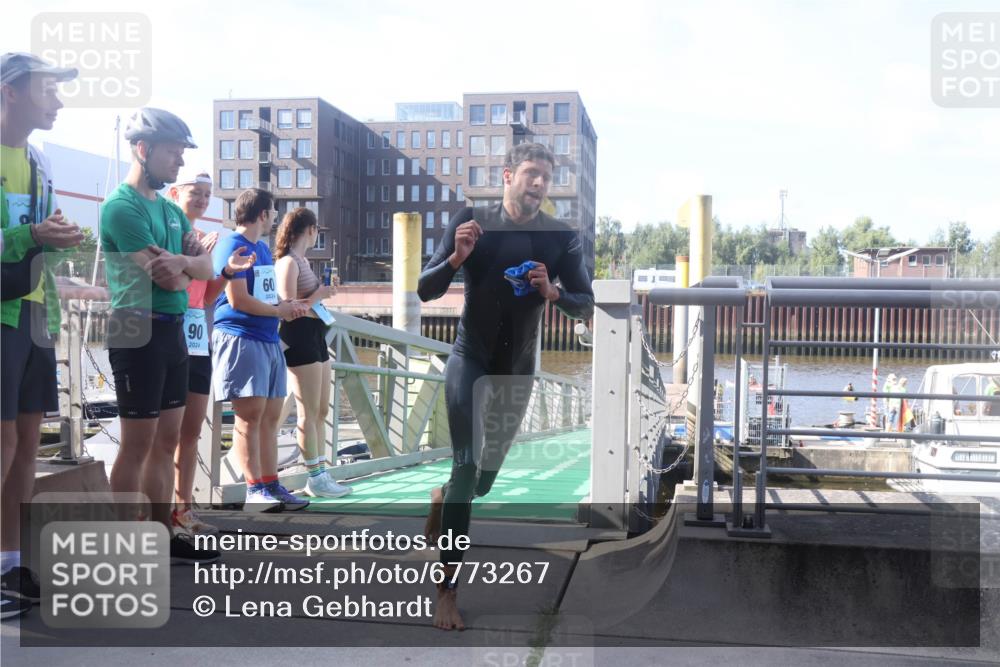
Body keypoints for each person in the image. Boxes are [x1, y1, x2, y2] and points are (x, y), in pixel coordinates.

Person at [418, 142, 594, 631]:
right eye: (531, 174)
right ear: (508, 174)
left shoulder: (560, 237)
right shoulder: (473, 221)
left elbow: (585, 302)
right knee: (466, 465)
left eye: (546, 177)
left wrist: (553, 292)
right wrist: (456, 257)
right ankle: (447, 592)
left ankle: (444, 496)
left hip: (517, 370)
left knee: (483, 481)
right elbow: (424, 288)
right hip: (469, 359)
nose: (538, 184)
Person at [99, 107, 220, 565]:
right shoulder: (120, 207)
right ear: (143, 150)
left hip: (173, 330)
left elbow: (204, 270)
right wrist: (185, 263)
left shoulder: (169, 209)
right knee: (137, 442)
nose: (180, 163)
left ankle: (160, 532)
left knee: (167, 440)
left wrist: (184, 262)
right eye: (173, 153)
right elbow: (167, 279)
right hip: (136, 326)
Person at [0, 52, 84, 619]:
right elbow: (23, 235)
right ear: (11, 91)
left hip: (33, 318)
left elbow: (39, 242)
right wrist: (31, 232)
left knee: (28, 446)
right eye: (48, 89)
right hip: (3, 317)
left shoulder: (38, 160)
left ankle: (10, 564)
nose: (57, 100)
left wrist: (66, 268)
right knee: (4, 445)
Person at [211, 188, 310, 512]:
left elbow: (266, 297)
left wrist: (287, 306)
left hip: (267, 339)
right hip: (242, 337)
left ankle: (271, 483)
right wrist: (278, 311)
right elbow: (238, 300)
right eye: (273, 213)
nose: (275, 220)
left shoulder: (263, 251)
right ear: (263, 214)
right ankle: (255, 490)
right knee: (249, 417)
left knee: (269, 418)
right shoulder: (232, 245)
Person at [167, 168, 246, 535]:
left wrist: (225, 271)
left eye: (206, 193)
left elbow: (206, 298)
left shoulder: (204, 239)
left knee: (191, 429)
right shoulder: (169, 234)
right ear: (175, 193)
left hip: (199, 337)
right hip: (167, 333)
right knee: (164, 432)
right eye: (194, 192)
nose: (201, 199)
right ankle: (159, 509)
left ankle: (184, 507)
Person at [274, 207, 351, 498]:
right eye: (316, 228)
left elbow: (307, 302)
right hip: (299, 335)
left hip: (316, 334)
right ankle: (315, 476)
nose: (317, 233)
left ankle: (321, 472)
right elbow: (287, 308)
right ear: (308, 229)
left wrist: (323, 294)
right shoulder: (288, 263)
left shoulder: (303, 261)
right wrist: (317, 296)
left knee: (321, 409)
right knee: (307, 411)